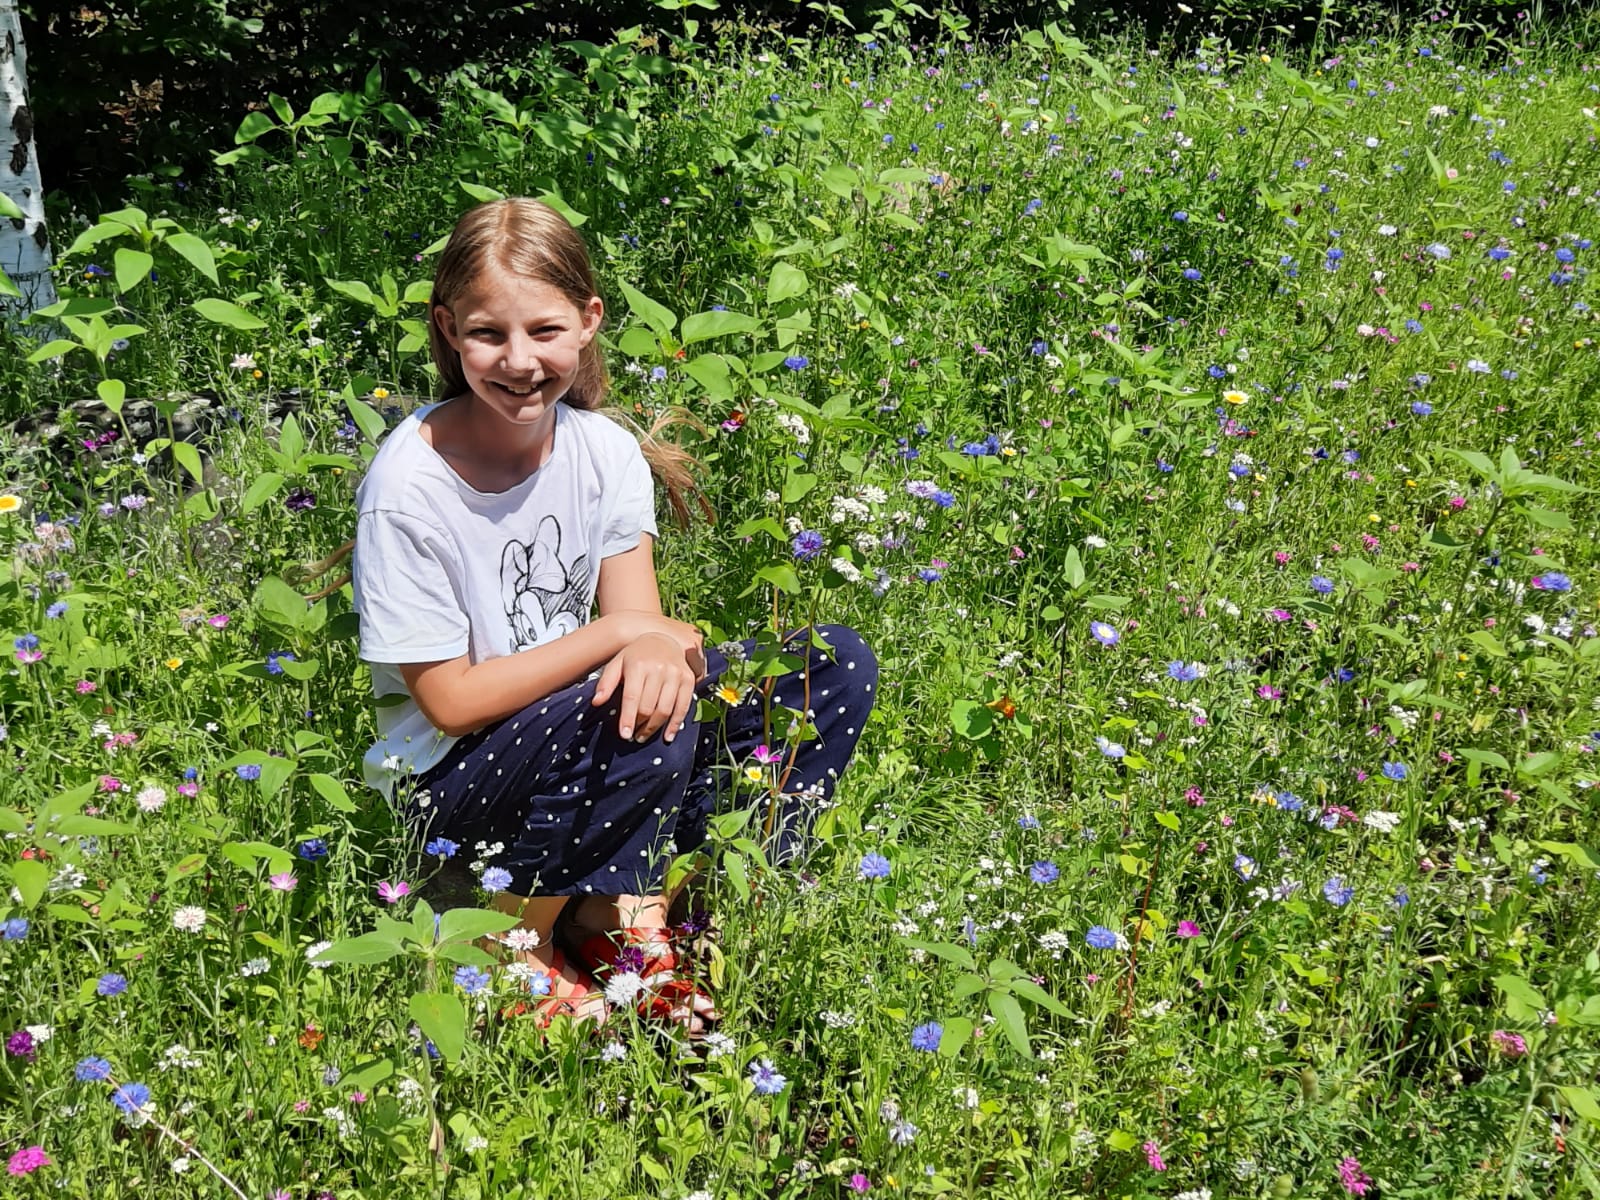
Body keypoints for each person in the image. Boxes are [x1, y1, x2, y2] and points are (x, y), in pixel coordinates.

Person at [349, 198, 877, 1030]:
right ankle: (507, 948)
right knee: (638, 711)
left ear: (589, 322)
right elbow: (447, 702)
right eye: (489, 334)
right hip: (456, 780)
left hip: (579, 732)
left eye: (545, 331)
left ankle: (654, 911)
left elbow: (650, 632)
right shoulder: (408, 489)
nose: (519, 361)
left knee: (831, 667)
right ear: (448, 331)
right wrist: (624, 640)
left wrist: (651, 645)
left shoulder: (600, 451)